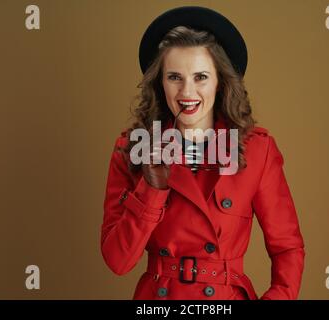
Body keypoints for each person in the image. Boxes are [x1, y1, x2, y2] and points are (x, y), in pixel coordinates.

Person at [100, 6, 305, 300]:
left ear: (220, 81)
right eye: (174, 77)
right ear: (160, 82)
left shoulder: (257, 149)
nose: (187, 92)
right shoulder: (132, 148)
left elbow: (287, 247)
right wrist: (151, 189)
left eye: (200, 77)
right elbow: (118, 262)